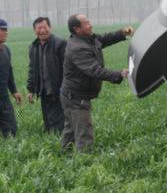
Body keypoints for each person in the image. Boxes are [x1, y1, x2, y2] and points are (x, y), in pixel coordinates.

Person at [60, 14, 133, 151]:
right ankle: (85, 164)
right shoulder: (78, 48)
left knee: (70, 128)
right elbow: (95, 70)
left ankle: (65, 155)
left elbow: (104, 39)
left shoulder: (87, 39)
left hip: (71, 94)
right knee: (84, 131)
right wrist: (119, 74)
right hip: (76, 97)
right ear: (77, 29)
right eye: (86, 23)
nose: (90, 24)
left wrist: (122, 33)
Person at [27, 17, 67, 133]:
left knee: (58, 119)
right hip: (42, 90)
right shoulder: (33, 47)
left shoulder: (60, 44)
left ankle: (62, 142)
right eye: (39, 28)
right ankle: (51, 138)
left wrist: (65, 87)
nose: (42, 30)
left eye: (45, 27)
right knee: (47, 119)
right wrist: (30, 89)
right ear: (34, 30)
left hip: (58, 89)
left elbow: (67, 68)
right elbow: (32, 69)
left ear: (50, 27)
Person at [0, 19, 23, 137]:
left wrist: (14, 91)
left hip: (3, 98)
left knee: (11, 132)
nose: (6, 32)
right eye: (2, 30)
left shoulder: (6, 50)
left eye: (6, 30)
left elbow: (9, 72)